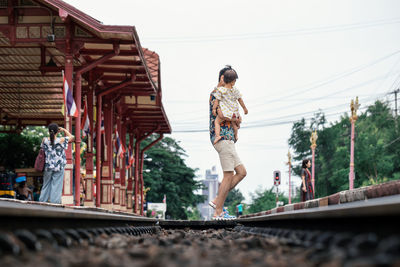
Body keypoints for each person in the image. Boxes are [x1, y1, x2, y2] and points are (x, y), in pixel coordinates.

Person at [209, 65, 247, 220]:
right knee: (228, 174)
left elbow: (235, 113)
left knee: (242, 172)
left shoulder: (230, 95)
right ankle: (218, 211)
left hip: (229, 139)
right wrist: (235, 119)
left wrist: (237, 118)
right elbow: (221, 114)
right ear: (222, 79)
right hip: (222, 138)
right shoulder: (215, 94)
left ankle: (217, 201)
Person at [39, 123, 74, 204]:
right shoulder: (61, 140)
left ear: (48, 131)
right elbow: (72, 137)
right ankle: (54, 203)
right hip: (59, 166)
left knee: (46, 184)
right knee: (56, 185)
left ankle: (42, 201)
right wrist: (64, 130)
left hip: (48, 166)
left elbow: (42, 148)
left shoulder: (44, 140)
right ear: (57, 131)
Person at [212, 69, 248, 144]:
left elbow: (217, 101)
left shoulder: (220, 90)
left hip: (224, 114)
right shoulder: (235, 90)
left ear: (223, 79)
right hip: (234, 114)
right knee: (234, 123)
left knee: (217, 122)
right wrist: (244, 108)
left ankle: (217, 136)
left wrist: (214, 109)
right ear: (233, 81)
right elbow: (240, 100)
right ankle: (236, 135)